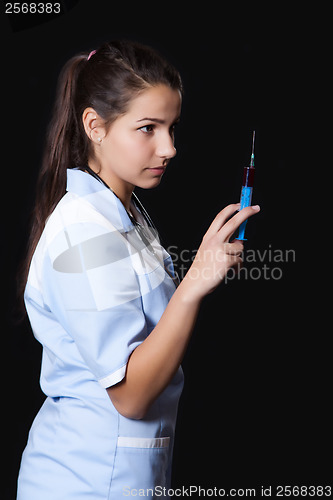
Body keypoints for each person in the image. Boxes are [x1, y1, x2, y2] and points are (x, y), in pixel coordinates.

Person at [17, 40, 260, 499]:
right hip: (82, 482)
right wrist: (193, 285)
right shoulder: (83, 232)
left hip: (127, 475)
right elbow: (130, 396)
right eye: (148, 128)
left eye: (172, 128)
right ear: (95, 126)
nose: (169, 147)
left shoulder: (125, 213)